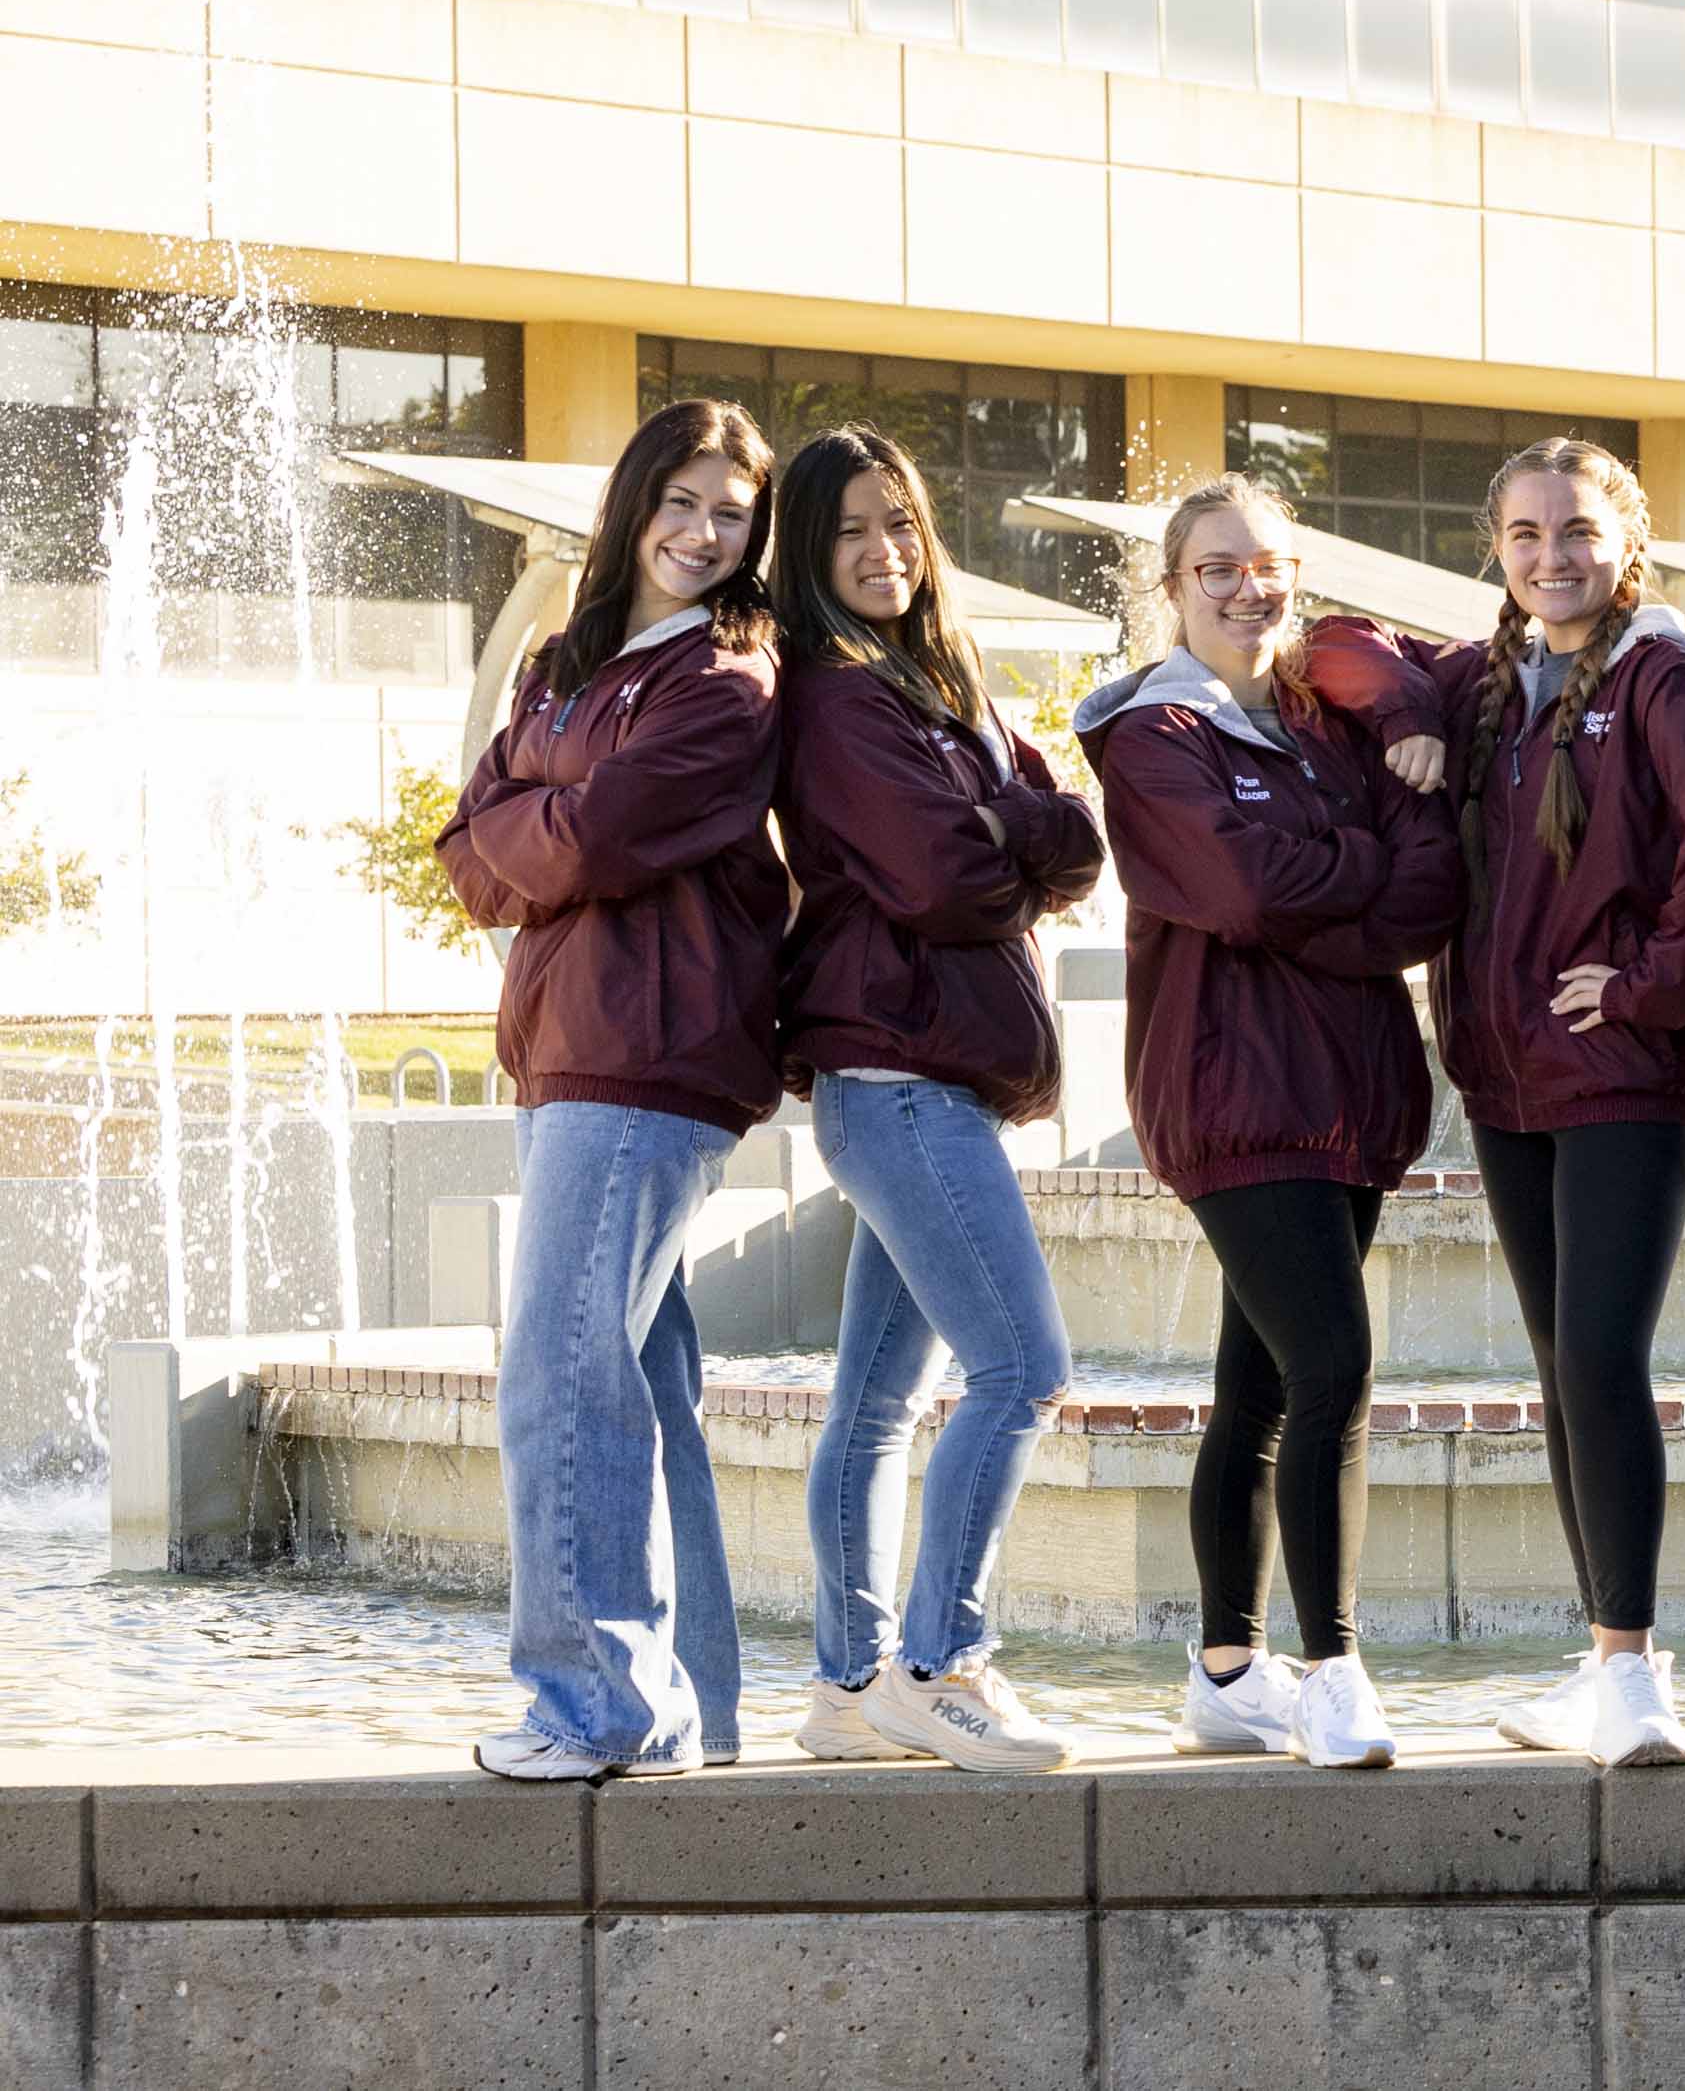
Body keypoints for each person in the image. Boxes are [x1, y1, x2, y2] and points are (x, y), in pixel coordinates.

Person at [1306, 440, 1685, 1771]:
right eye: (1523, 534)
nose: (1549, 556)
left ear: (1622, 540)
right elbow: (1331, 644)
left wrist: (1650, 986)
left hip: (1624, 1070)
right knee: (1559, 1371)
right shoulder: (1483, 687)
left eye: (1575, 530)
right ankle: (1602, 1659)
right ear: (1497, 548)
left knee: (1598, 1359)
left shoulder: (1659, 676)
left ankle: (1636, 1677)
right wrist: (1402, 713)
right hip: (1507, 1074)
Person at [1076, 477, 1463, 1771]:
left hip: (1347, 1088)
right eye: (1218, 567)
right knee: (1334, 1366)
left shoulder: (1324, 713)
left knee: (1255, 1385)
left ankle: (1227, 1668)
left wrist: (1387, 768)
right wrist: (1362, 877)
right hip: (1235, 1094)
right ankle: (1334, 1665)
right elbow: (1239, 890)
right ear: (1172, 587)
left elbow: (1432, 890)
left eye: (1272, 564)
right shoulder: (1152, 731)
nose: (1251, 586)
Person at [439, 399, 787, 1781]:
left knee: (559, 1377)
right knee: (639, 1383)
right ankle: (690, 1703)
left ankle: (597, 1709)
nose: (706, 533)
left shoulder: (729, 678)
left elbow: (594, 835)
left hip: (649, 1058)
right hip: (570, 1048)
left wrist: (538, 807)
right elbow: (465, 855)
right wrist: (545, 811)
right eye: (686, 501)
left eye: (735, 513)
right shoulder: (567, 661)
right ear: (637, 498)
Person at [767, 426, 1108, 1774]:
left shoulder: (928, 686)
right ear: (806, 547)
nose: (885, 551)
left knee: (871, 1407)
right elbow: (954, 883)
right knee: (1023, 1367)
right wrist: (1017, 821)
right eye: (851, 528)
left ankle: (850, 1687)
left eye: (901, 522)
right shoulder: (848, 702)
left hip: (912, 1081)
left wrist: (1014, 822)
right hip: (903, 1081)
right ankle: (940, 1659)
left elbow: (1068, 837)